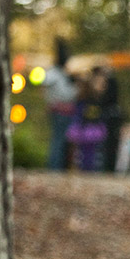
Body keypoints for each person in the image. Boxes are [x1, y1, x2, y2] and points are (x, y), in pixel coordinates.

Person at [43, 38, 78, 171]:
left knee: (62, 141)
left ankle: (58, 167)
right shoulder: (54, 73)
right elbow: (45, 81)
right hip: (58, 110)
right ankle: (54, 167)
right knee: (58, 140)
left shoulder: (63, 74)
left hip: (66, 111)